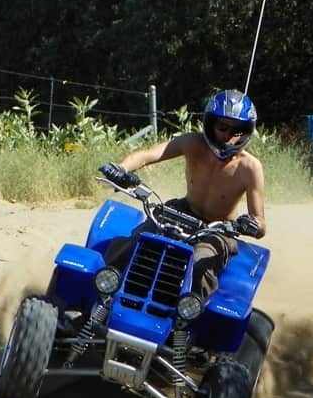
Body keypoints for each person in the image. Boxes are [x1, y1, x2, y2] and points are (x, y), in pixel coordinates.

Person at [99, 89, 266, 298]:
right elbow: (148, 155)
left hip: (219, 228)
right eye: (223, 127)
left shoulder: (250, 167)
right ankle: (101, 291)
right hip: (182, 210)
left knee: (199, 263)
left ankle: (190, 317)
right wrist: (121, 168)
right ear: (211, 124)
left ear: (247, 131)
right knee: (139, 239)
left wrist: (250, 225)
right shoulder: (192, 143)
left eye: (237, 131)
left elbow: (260, 223)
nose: (229, 136)